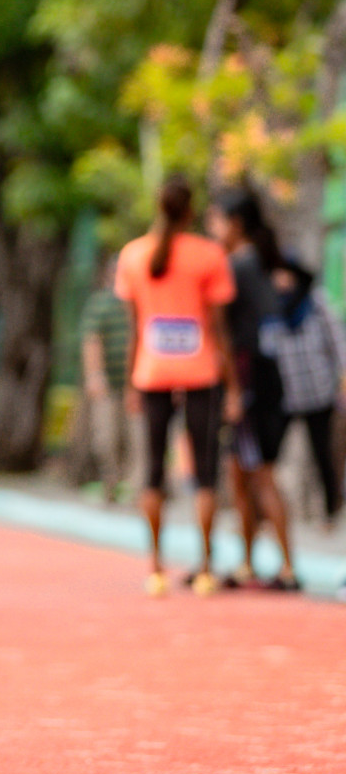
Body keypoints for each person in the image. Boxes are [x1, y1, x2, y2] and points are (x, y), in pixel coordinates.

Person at [115, 176, 239, 597]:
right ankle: (204, 567)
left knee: (152, 472)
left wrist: (132, 377)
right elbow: (219, 329)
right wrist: (233, 385)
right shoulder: (209, 255)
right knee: (205, 473)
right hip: (200, 373)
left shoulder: (133, 255)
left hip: (151, 373)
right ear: (190, 211)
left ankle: (155, 568)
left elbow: (134, 327)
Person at [206, 184, 300, 591]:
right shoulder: (263, 262)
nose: (211, 228)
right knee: (244, 473)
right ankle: (250, 563)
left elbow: (232, 329)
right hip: (266, 379)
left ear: (235, 223)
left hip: (250, 381)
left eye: (215, 219)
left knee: (257, 474)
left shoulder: (239, 267)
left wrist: (232, 388)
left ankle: (287, 567)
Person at [265, 259, 346, 521]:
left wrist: (343, 376)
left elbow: (338, 340)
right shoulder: (271, 308)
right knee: (268, 454)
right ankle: (266, 512)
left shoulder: (316, 303)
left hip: (318, 391)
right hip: (285, 394)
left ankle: (330, 510)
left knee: (323, 454)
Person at [81, 257, 138, 504]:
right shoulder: (101, 303)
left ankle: (137, 492)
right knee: (106, 438)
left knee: (138, 439)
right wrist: (95, 375)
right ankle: (110, 487)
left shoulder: (138, 302)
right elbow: (91, 340)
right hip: (108, 383)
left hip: (136, 384)